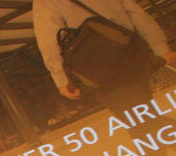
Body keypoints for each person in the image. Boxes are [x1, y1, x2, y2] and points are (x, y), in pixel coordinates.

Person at [33, 0, 176, 117]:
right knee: (143, 116)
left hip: (97, 65)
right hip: (130, 54)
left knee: (140, 121)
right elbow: (135, 13)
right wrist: (160, 47)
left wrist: (61, 79)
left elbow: (50, 41)